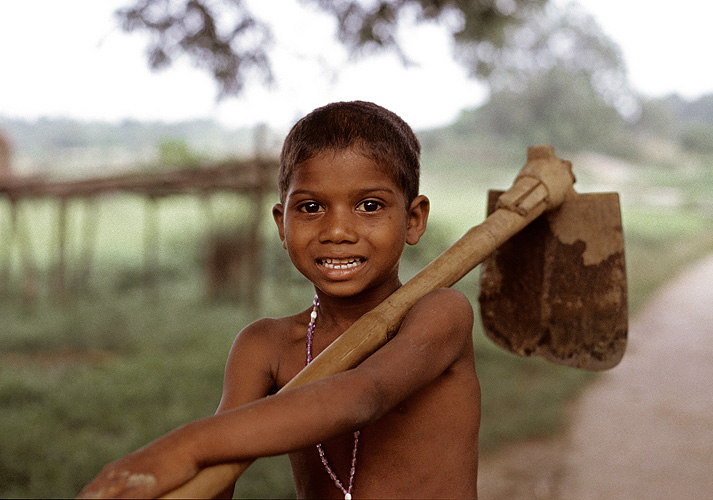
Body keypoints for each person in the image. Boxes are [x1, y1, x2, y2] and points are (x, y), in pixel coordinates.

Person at [78, 101, 481, 499]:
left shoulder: (440, 313)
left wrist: (183, 446)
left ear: (413, 220)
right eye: (311, 207)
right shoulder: (266, 347)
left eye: (369, 206)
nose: (338, 230)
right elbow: (219, 476)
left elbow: (363, 395)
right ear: (281, 224)